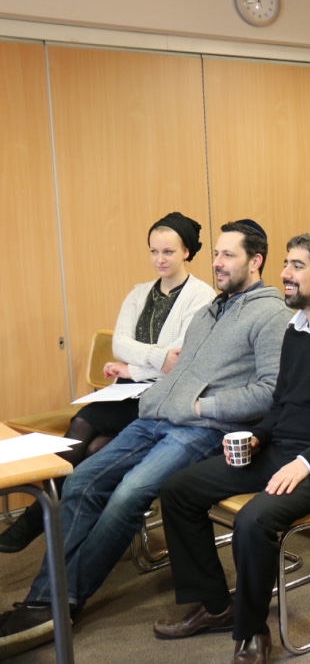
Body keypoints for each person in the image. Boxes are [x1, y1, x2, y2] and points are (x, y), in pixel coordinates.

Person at [0, 220, 292, 659]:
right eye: (216, 253)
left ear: (256, 261)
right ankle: (45, 598)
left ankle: (57, 604)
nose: (217, 262)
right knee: (80, 481)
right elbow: (177, 367)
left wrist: (201, 407)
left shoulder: (271, 314)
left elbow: (270, 391)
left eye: (228, 255)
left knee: (127, 496)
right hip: (154, 417)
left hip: (201, 430)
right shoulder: (211, 310)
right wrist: (158, 397)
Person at [152, 234, 310, 664]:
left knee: (253, 521)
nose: (284, 274)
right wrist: (258, 436)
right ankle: (216, 606)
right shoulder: (295, 330)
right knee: (178, 490)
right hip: (282, 452)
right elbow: (280, 404)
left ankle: (251, 631)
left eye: (297, 266)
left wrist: (306, 462)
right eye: (286, 264)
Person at [0, 212, 215, 554]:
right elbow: (121, 344)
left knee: (95, 445)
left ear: (186, 252)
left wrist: (132, 368)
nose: (159, 259)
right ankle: (51, 520)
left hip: (161, 395)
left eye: (168, 252)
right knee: (84, 426)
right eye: (154, 251)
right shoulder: (139, 293)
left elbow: (180, 360)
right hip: (126, 390)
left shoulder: (202, 297)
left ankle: (43, 520)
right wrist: (149, 360)